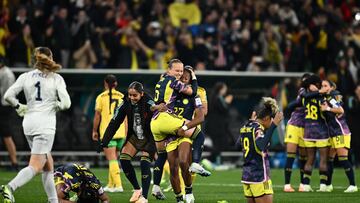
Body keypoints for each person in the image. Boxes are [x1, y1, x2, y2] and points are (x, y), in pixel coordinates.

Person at [1, 47, 71, 203]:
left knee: (48, 165)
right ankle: (9, 187)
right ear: (50, 58)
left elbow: (8, 96)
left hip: (29, 123)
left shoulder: (25, 77)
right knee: (37, 166)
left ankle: (53, 201)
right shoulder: (56, 78)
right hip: (45, 126)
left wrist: (19, 106)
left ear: (34, 60)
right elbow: (66, 103)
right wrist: (55, 106)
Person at [101, 81, 166, 203]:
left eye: (134, 95)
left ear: (141, 94)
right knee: (124, 159)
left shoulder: (147, 99)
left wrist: (158, 107)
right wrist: (104, 141)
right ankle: (137, 189)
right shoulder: (125, 102)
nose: (132, 97)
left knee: (144, 163)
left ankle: (144, 198)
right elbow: (115, 122)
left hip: (149, 137)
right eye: (130, 95)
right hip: (134, 136)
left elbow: (153, 106)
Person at [150, 59, 198, 201]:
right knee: (197, 132)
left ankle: (156, 186)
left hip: (155, 121)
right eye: (176, 71)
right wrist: (194, 78)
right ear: (169, 70)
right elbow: (193, 91)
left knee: (162, 155)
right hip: (167, 120)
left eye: (181, 71)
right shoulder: (174, 82)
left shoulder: (161, 81)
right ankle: (196, 163)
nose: (179, 74)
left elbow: (155, 104)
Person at [240, 97, 283, 203]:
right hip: (259, 175)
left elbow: (239, 144)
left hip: (247, 175)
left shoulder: (246, 126)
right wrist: (274, 126)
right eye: (272, 119)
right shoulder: (258, 129)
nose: (272, 121)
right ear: (266, 118)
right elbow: (260, 146)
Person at [320, 80, 358, 193]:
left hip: (340, 131)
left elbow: (341, 110)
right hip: (332, 132)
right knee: (329, 159)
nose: (323, 87)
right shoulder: (326, 98)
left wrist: (327, 109)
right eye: (322, 85)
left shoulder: (332, 96)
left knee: (343, 159)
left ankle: (353, 185)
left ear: (331, 87)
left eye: (325, 85)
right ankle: (328, 185)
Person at [92, 74, 127, 193]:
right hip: (121, 132)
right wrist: (127, 131)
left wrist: (94, 131)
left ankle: (117, 185)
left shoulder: (101, 97)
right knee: (115, 158)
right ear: (116, 84)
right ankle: (111, 184)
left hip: (108, 132)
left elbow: (97, 116)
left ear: (105, 83)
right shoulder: (122, 96)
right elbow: (127, 116)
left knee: (111, 159)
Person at [300, 75, 329, 192]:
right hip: (321, 131)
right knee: (323, 159)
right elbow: (326, 113)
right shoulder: (321, 98)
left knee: (310, 159)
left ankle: (306, 185)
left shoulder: (304, 98)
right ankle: (323, 185)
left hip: (308, 132)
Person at [283, 73, 310, 192]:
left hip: (306, 127)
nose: (303, 84)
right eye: (303, 81)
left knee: (303, 157)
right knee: (291, 154)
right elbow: (289, 106)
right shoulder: (302, 92)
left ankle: (302, 184)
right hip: (294, 124)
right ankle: (287, 184)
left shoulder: (316, 95)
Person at [205, 82, 233, 165]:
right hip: (216, 127)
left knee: (220, 145)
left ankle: (215, 161)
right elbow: (223, 110)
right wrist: (227, 102)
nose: (226, 91)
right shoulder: (216, 98)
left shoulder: (216, 98)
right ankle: (209, 160)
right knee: (219, 145)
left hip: (217, 126)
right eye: (224, 89)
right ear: (220, 89)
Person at [0, 57, 18, 171]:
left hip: (5, 107)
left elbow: (6, 94)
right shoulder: (4, 72)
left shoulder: (6, 74)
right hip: (4, 105)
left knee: (6, 135)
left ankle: (14, 163)